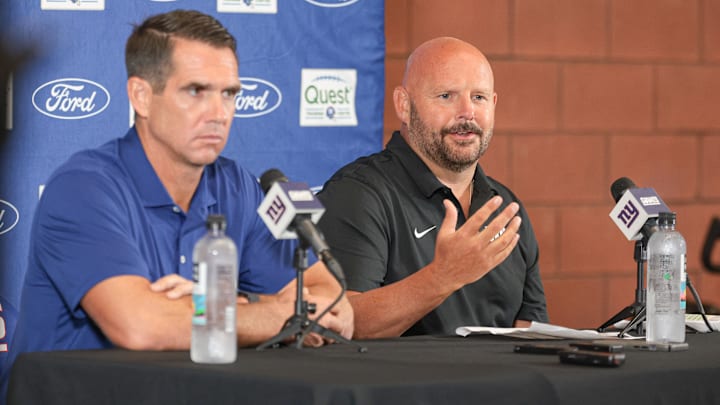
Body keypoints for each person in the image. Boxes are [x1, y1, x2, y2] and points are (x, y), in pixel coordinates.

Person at [2, 9, 353, 394]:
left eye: (229, 93)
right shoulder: (84, 188)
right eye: (195, 91)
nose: (219, 114)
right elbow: (141, 326)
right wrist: (277, 313)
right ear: (141, 96)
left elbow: (334, 306)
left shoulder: (237, 185)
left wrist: (223, 303)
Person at [316, 37, 548, 339]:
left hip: (498, 385)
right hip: (403, 386)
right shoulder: (359, 193)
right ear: (404, 104)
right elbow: (340, 322)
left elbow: (530, 328)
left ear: (493, 105)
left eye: (478, 97)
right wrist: (442, 278)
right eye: (446, 96)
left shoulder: (505, 206)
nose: (467, 113)